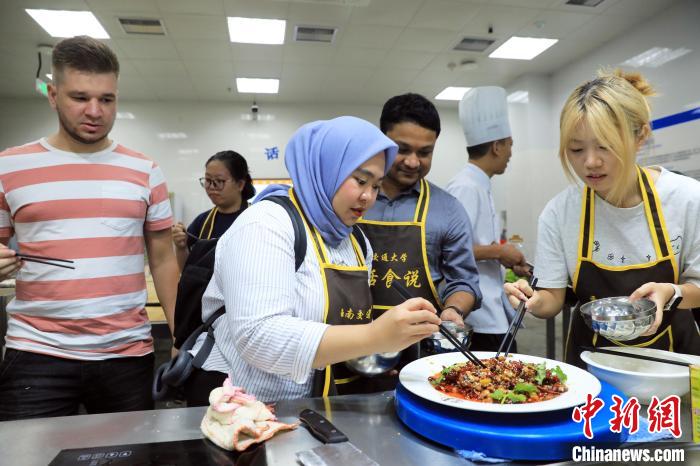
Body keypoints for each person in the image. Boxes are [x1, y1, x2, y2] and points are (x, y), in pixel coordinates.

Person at [187, 116, 441, 402]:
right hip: (241, 401)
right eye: (360, 180)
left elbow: (338, 326)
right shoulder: (266, 224)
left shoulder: (355, 242)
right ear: (326, 169)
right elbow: (258, 337)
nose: (368, 196)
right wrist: (374, 336)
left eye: (376, 186)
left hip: (312, 402)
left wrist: (373, 356)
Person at [0, 36, 179, 420]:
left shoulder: (144, 169)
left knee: (129, 458)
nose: (95, 111)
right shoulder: (9, 167)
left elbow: (163, 260)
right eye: (80, 97)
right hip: (37, 352)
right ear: (52, 95)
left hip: (125, 353)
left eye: (107, 99)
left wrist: (181, 335)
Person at [505, 70, 700, 368]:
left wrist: (671, 292)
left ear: (641, 136)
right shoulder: (560, 213)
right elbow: (552, 299)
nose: (590, 162)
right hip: (592, 364)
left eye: (605, 145)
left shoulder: (687, 198)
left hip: (673, 364)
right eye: (576, 149)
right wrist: (531, 301)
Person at [358, 93, 481, 388]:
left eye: (425, 153)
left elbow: (464, 281)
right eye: (403, 150)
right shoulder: (352, 199)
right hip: (352, 347)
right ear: (382, 141)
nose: (413, 162)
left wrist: (453, 310)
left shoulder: (448, 209)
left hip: (420, 355)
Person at [446, 87, 530, 352]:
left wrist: (504, 257)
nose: (511, 153)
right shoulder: (466, 187)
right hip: (477, 316)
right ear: (496, 146)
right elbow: (450, 251)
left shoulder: (480, 184)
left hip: (492, 307)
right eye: (509, 145)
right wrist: (499, 251)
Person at [172, 150, 255, 271]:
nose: (211, 187)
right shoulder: (202, 222)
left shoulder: (257, 218)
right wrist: (180, 247)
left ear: (240, 184)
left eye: (219, 181)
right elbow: (187, 271)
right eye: (208, 180)